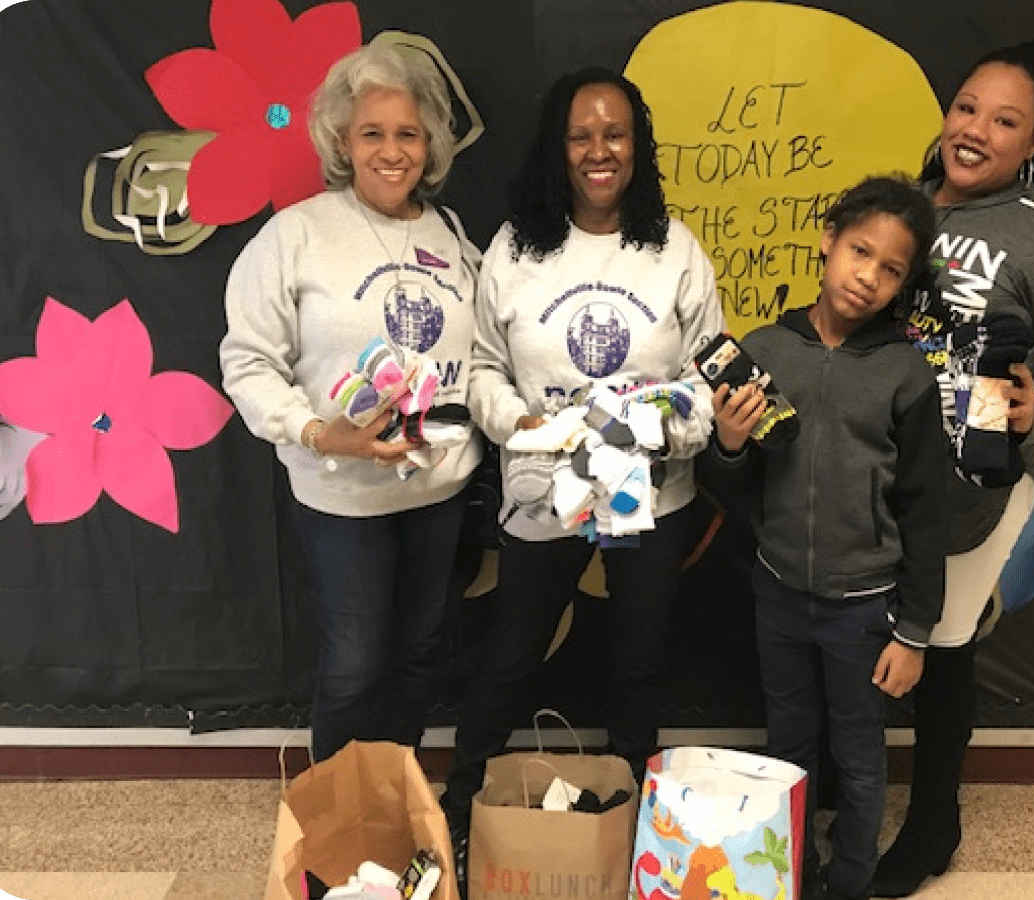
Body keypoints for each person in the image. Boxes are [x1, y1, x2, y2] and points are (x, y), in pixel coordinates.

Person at [440, 65, 724, 869]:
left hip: (651, 502)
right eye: (582, 135)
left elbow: (710, 377)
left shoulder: (674, 249)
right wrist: (521, 422)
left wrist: (663, 431)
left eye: (615, 133)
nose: (600, 151)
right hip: (545, 495)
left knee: (639, 661)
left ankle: (630, 830)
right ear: (558, 149)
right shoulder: (516, 247)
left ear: (637, 144)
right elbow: (482, 370)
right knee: (510, 656)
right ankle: (458, 812)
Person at [873, 41, 1034, 897]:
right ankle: (844, 796)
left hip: (973, 484)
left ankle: (934, 822)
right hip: (873, 470)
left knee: (939, 644)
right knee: (854, 632)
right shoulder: (897, 210)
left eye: (1004, 121)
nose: (975, 131)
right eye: (968, 107)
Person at [219, 45, 482, 762]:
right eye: (372, 133)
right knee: (354, 664)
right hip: (344, 501)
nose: (391, 152)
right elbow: (246, 360)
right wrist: (317, 432)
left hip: (439, 489)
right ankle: (338, 816)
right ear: (342, 141)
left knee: (419, 655)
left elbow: (484, 351)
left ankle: (392, 798)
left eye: (408, 134)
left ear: (430, 145)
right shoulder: (295, 236)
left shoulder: (452, 235)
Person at [703, 175, 948, 900]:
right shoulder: (767, 349)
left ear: (903, 282)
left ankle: (848, 887)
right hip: (777, 595)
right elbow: (735, 487)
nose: (868, 276)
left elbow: (925, 510)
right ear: (828, 243)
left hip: (865, 610)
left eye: (891, 268)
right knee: (788, 751)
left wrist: (915, 633)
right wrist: (728, 443)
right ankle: (790, 880)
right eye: (859, 251)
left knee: (862, 759)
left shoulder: (905, 373)